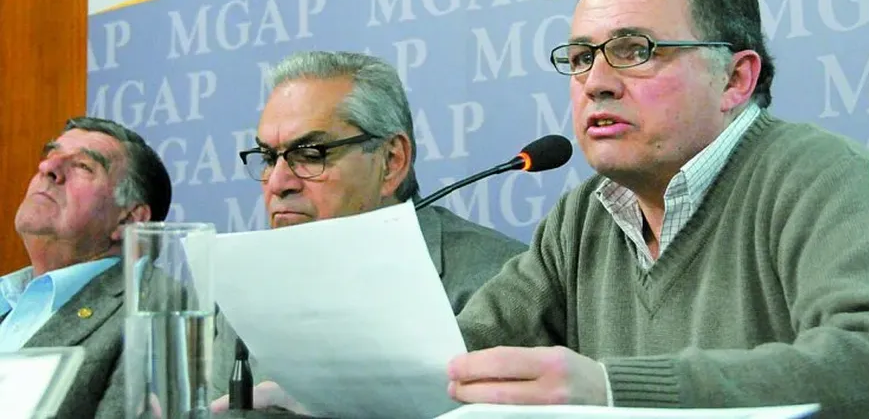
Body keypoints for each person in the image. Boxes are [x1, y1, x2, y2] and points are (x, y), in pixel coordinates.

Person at [447, 0, 869, 417]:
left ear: (736, 78)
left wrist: (613, 389)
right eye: (582, 58)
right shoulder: (583, 216)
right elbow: (457, 357)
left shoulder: (823, 177)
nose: (596, 83)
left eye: (634, 50)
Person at [210, 50, 526, 408]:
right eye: (269, 158)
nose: (278, 182)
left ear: (392, 161)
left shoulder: (502, 281)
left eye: (311, 153)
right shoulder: (246, 289)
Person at [0, 116, 172, 418]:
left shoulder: (154, 310)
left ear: (129, 219)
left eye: (83, 166)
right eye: (51, 156)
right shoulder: (7, 295)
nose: (47, 168)